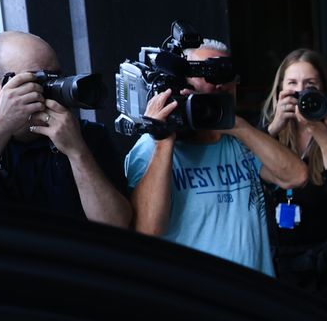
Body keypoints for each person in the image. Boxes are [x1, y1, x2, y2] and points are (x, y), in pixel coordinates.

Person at [126, 38, 308, 275]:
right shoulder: (151, 146)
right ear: (184, 82)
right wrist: (164, 141)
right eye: (208, 74)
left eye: (226, 74)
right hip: (202, 305)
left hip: (257, 298)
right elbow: (147, 232)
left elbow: (296, 177)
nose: (220, 84)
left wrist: (237, 126)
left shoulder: (239, 138)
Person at [0, 31, 131, 227]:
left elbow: (118, 226)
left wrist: (77, 152)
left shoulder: (88, 136)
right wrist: (2, 124)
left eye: (56, 77)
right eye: (36, 80)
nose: (48, 88)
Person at [261, 49, 327, 312]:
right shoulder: (264, 134)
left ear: (323, 91)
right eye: (293, 85)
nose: (301, 92)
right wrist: (271, 131)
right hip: (282, 270)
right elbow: (249, 186)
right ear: (279, 91)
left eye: (310, 85)